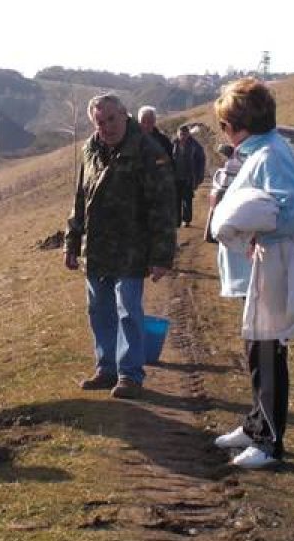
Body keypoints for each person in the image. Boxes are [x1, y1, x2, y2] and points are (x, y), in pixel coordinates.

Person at [209, 78, 294, 469]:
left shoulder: (270, 154)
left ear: (236, 124)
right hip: (268, 258)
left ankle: (269, 442)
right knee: (256, 344)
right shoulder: (263, 150)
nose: (225, 133)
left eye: (224, 125)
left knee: (267, 349)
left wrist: (254, 227)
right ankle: (255, 426)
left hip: (279, 262)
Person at [65, 94, 177, 399]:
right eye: (100, 122)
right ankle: (107, 369)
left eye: (112, 119)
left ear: (124, 115)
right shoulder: (90, 149)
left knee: (128, 310)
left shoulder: (148, 151)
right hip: (96, 247)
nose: (107, 127)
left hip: (131, 248)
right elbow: (80, 198)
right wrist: (72, 241)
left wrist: (161, 255)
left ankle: (130, 374)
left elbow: (163, 207)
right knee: (99, 310)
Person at [171, 124, 206, 227]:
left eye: (185, 134)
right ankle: (176, 221)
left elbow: (201, 160)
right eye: (181, 134)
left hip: (189, 177)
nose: (183, 136)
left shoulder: (195, 145)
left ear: (188, 134)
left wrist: (199, 176)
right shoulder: (172, 143)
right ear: (178, 134)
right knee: (175, 199)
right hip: (175, 177)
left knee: (187, 199)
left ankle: (186, 220)